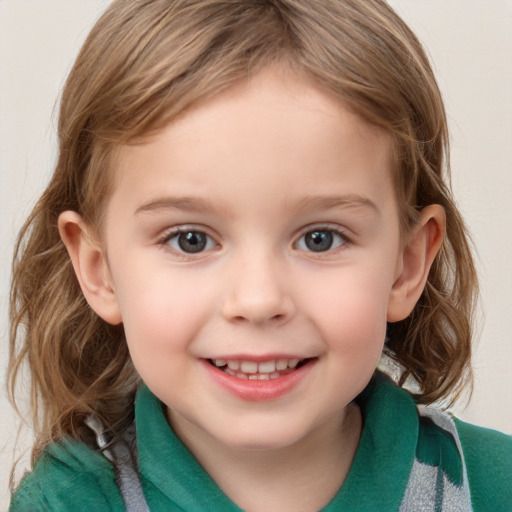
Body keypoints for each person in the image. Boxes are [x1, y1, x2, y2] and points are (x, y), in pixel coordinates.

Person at [7, 0, 512, 510]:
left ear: (405, 266)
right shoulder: (67, 502)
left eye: (321, 238)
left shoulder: (495, 487)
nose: (257, 299)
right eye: (190, 239)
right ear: (100, 271)